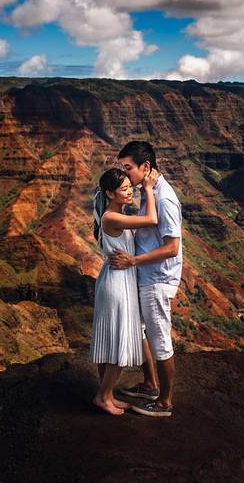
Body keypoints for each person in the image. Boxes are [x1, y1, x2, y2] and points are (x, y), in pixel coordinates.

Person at [110, 141, 182, 418]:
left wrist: (133, 261)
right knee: (141, 332)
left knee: (160, 340)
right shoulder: (150, 191)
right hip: (145, 277)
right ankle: (150, 384)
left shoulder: (164, 198)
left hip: (156, 279)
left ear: (146, 167)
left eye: (128, 168)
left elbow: (172, 247)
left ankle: (164, 402)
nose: (125, 175)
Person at [90, 166, 160, 415]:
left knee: (111, 342)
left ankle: (104, 394)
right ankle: (104, 396)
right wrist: (149, 189)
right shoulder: (111, 217)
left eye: (130, 187)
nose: (130, 191)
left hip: (118, 279)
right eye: (124, 189)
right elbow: (152, 219)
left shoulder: (116, 212)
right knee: (118, 342)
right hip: (117, 284)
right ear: (110, 193)